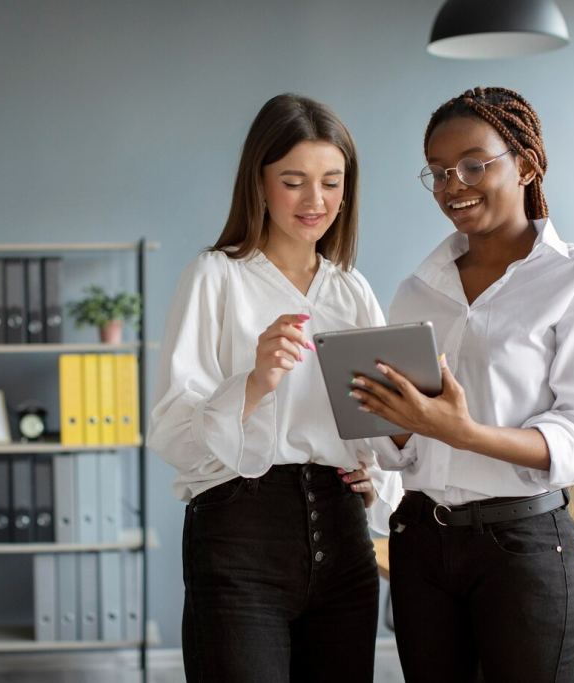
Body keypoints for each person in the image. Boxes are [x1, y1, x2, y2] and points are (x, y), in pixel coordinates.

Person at [350, 86, 574, 683]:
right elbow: (406, 448)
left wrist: (464, 431)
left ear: (526, 164)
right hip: (420, 541)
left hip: (522, 543)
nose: (454, 186)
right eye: (438, 172)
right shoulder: (417, 288)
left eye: (474, 164)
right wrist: (396, 423)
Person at [148, 93, 402, 683]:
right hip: (239, 542)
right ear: (258, 183)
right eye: (294, 181)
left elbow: (371, 418)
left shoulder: (351, 290)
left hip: (343, 540)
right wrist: (254, 383)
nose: (316, 201)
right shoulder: (215, 276)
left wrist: (377, 470)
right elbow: (168, 431)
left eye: (331, 182)